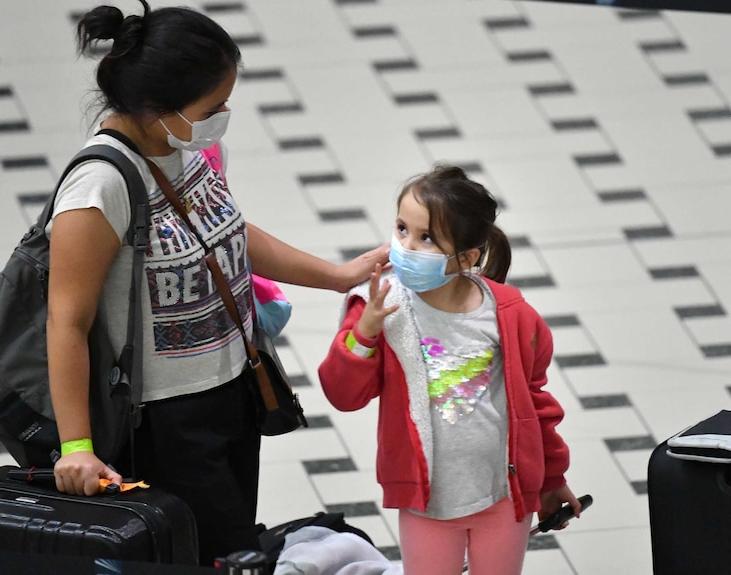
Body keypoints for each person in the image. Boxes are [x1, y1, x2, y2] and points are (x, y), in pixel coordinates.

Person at [46, 1, 389, 566]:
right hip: (167, 422)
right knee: (210, 556)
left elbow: (227, 228)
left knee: (231, 553)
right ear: (158, 106)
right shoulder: (98, 189)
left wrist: (336, 276)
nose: (224, 112)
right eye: (215, 104)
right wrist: (77, 447)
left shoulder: (176, 146)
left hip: (231, 391)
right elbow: (67, 320)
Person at [318, 166, 581, 575]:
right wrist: (366, 330)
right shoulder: (382, 307)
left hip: (504, 499)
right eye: (402, 228)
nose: (405, 246)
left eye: (426, 238)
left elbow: (534, 402)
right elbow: (343, 394)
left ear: (467, 258)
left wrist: (550, 477)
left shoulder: (510, 315)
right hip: (428, 504)